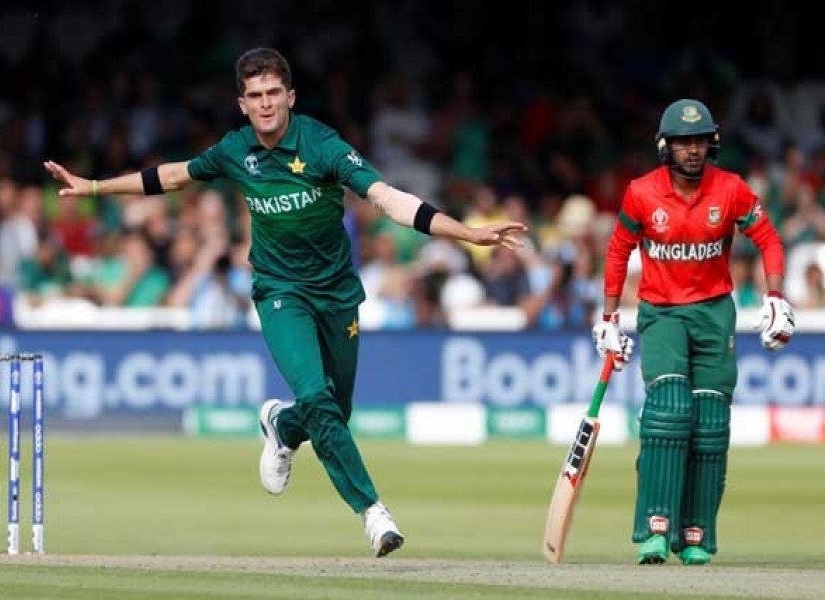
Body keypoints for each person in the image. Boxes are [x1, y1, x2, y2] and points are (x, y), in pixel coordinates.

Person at [43, 47, 526, 557]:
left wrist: (467, 233)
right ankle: (373, 513)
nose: (267, 103)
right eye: (256, 96)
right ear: (242, 104)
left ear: (290, 96)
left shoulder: (322, 146)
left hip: (337, 292)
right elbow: (171, 176)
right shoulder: (235, 150)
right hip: (279, 292)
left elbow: (387, 199)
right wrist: (93, 186)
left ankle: (280, 424)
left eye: (275, 93)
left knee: (334, 409)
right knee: (319, 399)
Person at [592, 98, 795, 566]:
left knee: (710, 424)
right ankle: (655, 529)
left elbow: (768, 238)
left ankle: (697, 533)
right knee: (668, 410)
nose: (692, 150)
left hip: (714, 313)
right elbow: (619, 251)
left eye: (700, 140)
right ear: (666, 146)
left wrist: (776, 295)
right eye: (683, 142)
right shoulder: (641, 193)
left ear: (713, 144)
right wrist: (607, 318)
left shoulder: (732, 190)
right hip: (661, 313)